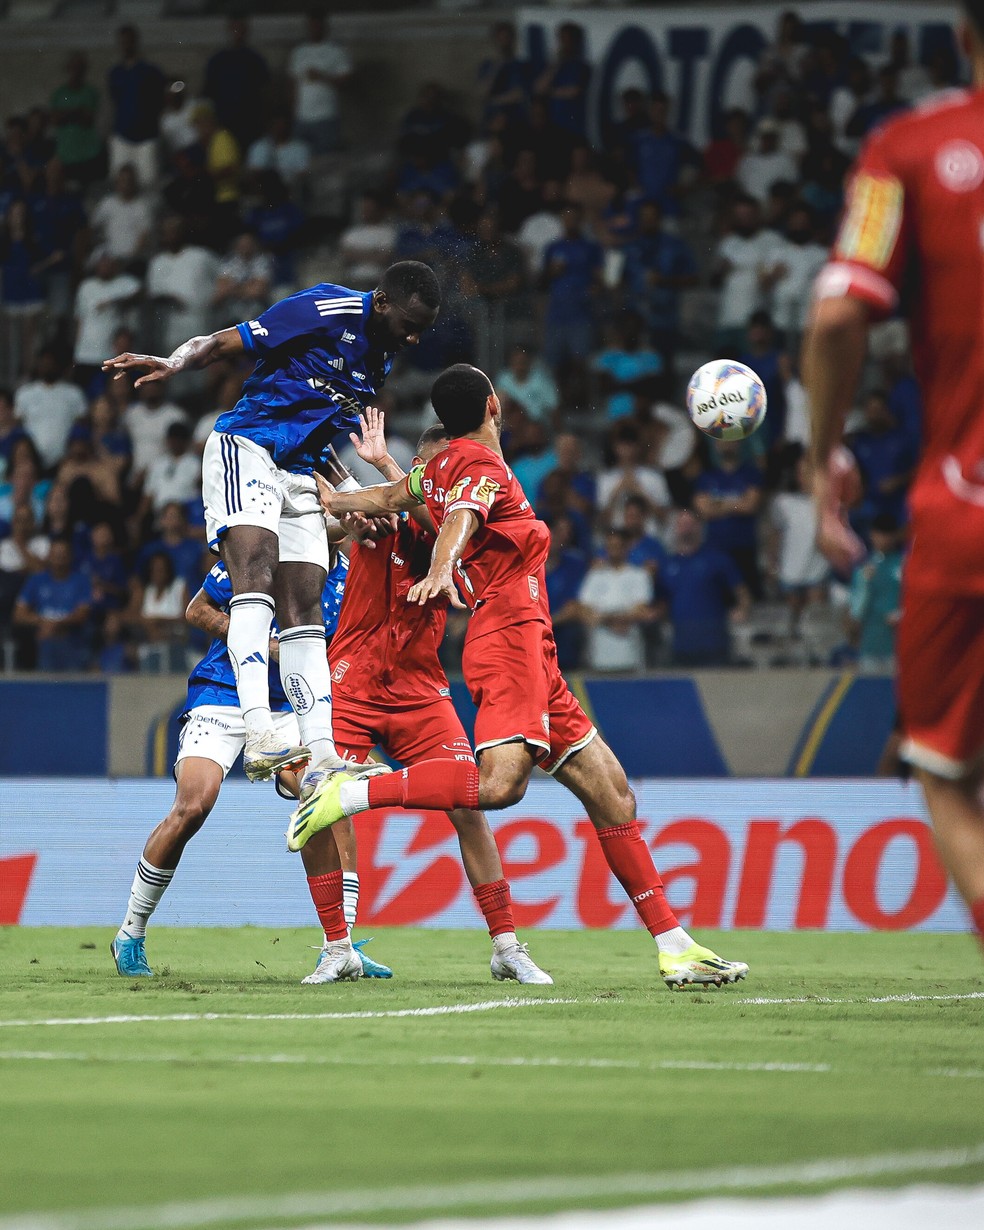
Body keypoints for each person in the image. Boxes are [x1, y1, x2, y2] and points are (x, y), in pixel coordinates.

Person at [301, 364, 749, 990]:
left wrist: (341, 499)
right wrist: (442, 562)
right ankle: (351, 794)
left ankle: (675, 946)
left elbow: (392, 499)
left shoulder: (436, 468)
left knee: (613, 792)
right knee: (500, 786)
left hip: (537, 651)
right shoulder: (480, 470)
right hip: (508, 640)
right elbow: (459, 518)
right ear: (494, 405)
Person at [102, 260, 440, 793]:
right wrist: (175, 360)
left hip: (298, 470)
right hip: (248, 446)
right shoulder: (326, 308)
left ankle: (323, 752)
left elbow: (321, 431)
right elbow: (221, 341)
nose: (415, 337)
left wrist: (349, 494)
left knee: (303, 604)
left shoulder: (383, 354)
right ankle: (260, 730)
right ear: (382, 302)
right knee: (255, 572)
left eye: (424, 328)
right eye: (409, 324)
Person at [803, 0, 984, 952]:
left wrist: (819, 455)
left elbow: (839, 316)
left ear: (961, 35)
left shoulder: (908, 149)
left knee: (945, 770)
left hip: (965, 509)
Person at [309, 409, 551, 984]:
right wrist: (339, 507)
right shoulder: (381, 507)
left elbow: (427, 511)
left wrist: (387, 472)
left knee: (469, 805)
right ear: (426, 468)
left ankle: (506, 945)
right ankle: (337, 946)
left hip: (421, 689)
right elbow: (343, 523)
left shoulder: (462, 527)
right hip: (354, 681)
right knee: (322, 806)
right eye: (442, 469)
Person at [110, 550, 393, 981]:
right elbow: (197, 609)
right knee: (193, 805)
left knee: (324, 798)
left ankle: (340, 946)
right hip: (224, 694)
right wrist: (256, 642)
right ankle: (130, 932)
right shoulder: (261, 551)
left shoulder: (351, 575)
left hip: (291, 709)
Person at [14, 537, 92, 671]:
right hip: (41, 637)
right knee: (46, 640)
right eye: (56, 555)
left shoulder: (81, 581)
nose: (59, 558)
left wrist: (56, 624)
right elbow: (19, 615)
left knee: (57, 639)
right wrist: (43, 622)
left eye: (63, 555)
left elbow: (82, 614)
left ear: (70, 557)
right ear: (49, 556)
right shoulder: (36, 580)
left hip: (71, 638)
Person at [287, 5, 353, 155]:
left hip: (326, 117)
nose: (314, 28)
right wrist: (293, 113)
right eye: (312, 25)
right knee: (300, 160)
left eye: (318, 24)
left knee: (326, 160)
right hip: (302, 118)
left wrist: (322, 77)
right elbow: (292, 85)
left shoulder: (336, 50)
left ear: (325, 26)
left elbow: (345, 81)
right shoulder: (299, 52)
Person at [107, 25, 165, 188]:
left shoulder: (150, 71)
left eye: (129, 41)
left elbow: (159, 101)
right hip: (122, 136)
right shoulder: (115, 73)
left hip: (146, 137)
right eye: (123, 42)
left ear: (136, 42)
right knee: (120, 184)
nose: (126, 45)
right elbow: (115, 100)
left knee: (148, 182)